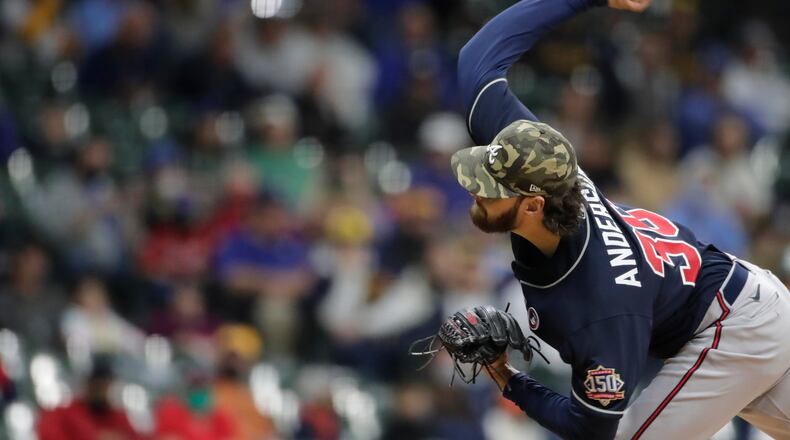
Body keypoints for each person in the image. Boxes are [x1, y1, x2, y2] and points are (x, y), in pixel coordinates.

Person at [450, 0, 790, 438]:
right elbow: (476, 60)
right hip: (742, 308)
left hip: (732, 328)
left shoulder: (601, 302)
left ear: (533, 206)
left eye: (490, 188)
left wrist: (505, 376)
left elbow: (591, 429)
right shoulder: (542, 163)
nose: (474, 188)